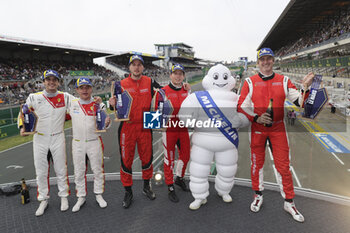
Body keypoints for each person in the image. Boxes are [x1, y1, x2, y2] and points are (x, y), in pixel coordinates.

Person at [237, 48, 314, 223]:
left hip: (278, 128)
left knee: (284, 166)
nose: (266, 62)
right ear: (258, 62)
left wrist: (305, 87)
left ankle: (289, 202)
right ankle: (258, 195)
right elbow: (241, 105)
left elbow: (300, 103)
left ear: (273, 61)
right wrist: (256, 117)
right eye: (262, 59)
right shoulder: (250, 81)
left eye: (269, 59)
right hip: (257, 128)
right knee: (256, 164)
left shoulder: (284, 80)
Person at [109, 55, 162, 209]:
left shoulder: (150, 82)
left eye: (139, 65)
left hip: (146, 125)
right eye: (134, 65)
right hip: (127, 127)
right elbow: (115, 107)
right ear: (129, 67)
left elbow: (164, 93)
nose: (137, 67)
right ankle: (128, 191)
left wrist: (183, 86)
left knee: (147, 158)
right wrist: (111, 104)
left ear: (143, 67)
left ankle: (147, 186)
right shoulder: (120, 84)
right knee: (126, 160)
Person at [18, 70, 72, 216]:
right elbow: (22, 113)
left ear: (59, 82)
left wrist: (101, 105)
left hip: (58, 137)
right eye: (48, 79)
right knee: (41, 172)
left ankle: (64, 197)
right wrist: (22, 127)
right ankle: (43, 199)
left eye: (54, 79)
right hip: (39, 138)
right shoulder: (33, 97)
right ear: (43, 82)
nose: (51, 82)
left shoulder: (65, 97)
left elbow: (80, 105)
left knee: (61, 170)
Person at [68, 77, 111, 212]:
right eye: (81, 88)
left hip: (94, 141)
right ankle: (81, 196)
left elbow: (106, 122)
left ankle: (98, 194)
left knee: (97, 170)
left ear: (91, 88)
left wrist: (108, 122)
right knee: (79, 172)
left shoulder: (99, 103)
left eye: (87, 87)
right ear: (77, 90)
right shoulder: (72, 103)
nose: (85, 90)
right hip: (77, 143)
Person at [153, 64, 190, 203]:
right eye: (175, 73)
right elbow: (156, 111)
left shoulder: (187, 90)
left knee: (186, 155)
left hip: (183, 127)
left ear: (183, 76)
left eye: (181, 73)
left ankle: (179, 178)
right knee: (169, 159)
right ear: (171, 75)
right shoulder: (163, 91)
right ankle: (170, 187)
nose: (178, 76)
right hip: (169, 129)